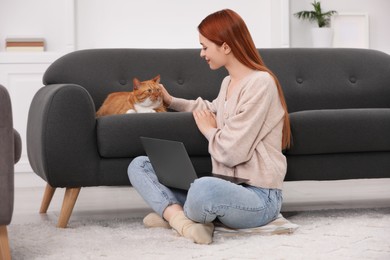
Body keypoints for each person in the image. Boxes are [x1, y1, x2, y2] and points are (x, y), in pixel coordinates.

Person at [128, 9, 291, 245]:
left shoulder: (261, 83)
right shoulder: (228, 82)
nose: (201, 53)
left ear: (225, 46)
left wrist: (208, 130)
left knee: (204, 189)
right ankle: (184, 222)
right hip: (227, 186)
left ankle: (173, 214)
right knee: (139, 165)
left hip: (258, 196)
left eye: (205, 47)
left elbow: (233, 152)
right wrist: (171, 101)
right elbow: (210, 109)